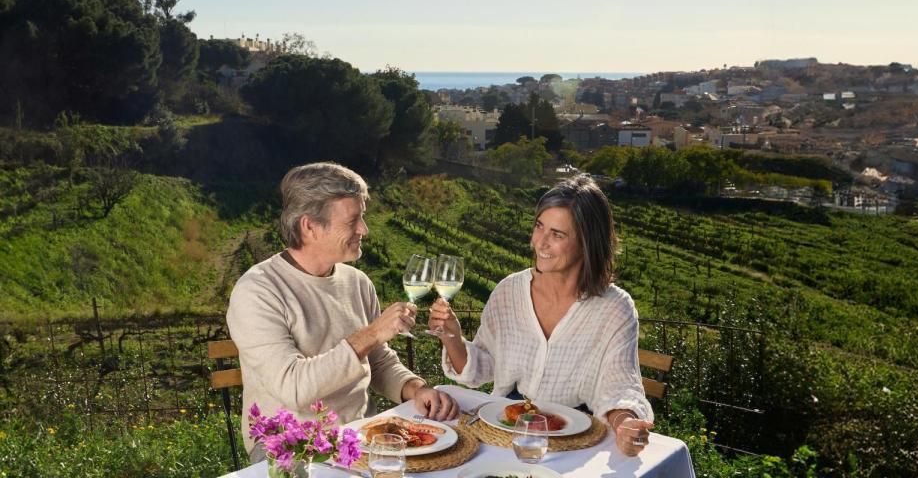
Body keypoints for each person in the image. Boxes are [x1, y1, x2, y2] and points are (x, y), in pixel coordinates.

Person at [227, 162, 459, 461]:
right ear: (309, 226)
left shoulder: (356, 281)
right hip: (290, 448)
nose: (364, 229)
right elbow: (294, 388)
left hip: (359, 434)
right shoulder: (258, 291)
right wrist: (373, 332)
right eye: (353, 221)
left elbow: (376, 359)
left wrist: (415, 389)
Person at [429, 174, 654, 456]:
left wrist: (626, 425)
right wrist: (452, 337)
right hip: (504, 425)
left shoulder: (615, 308)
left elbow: (620, 387)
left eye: (557, 234)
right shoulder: (509, 290)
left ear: (587, 242)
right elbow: (483, 367)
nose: (540, 243)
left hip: (578, 435)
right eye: (539, 227)